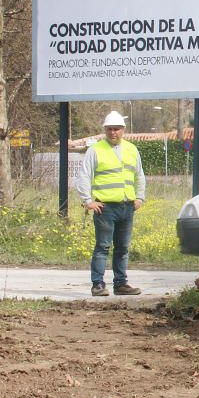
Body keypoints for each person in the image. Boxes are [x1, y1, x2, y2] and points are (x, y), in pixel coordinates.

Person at [76, 110, 146, 296]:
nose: (113, 132)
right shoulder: (96, 150)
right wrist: (87, 201)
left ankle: (120, 284)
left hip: (127, 206)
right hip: (105, 207)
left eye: (116, 129)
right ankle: (98, 284)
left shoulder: (132, 149)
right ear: (105, 130)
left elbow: (139, 175)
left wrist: (139, 197)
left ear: (123, 130)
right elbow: (84, 176)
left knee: (123, 248)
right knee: (103, 246)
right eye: (109, 129)